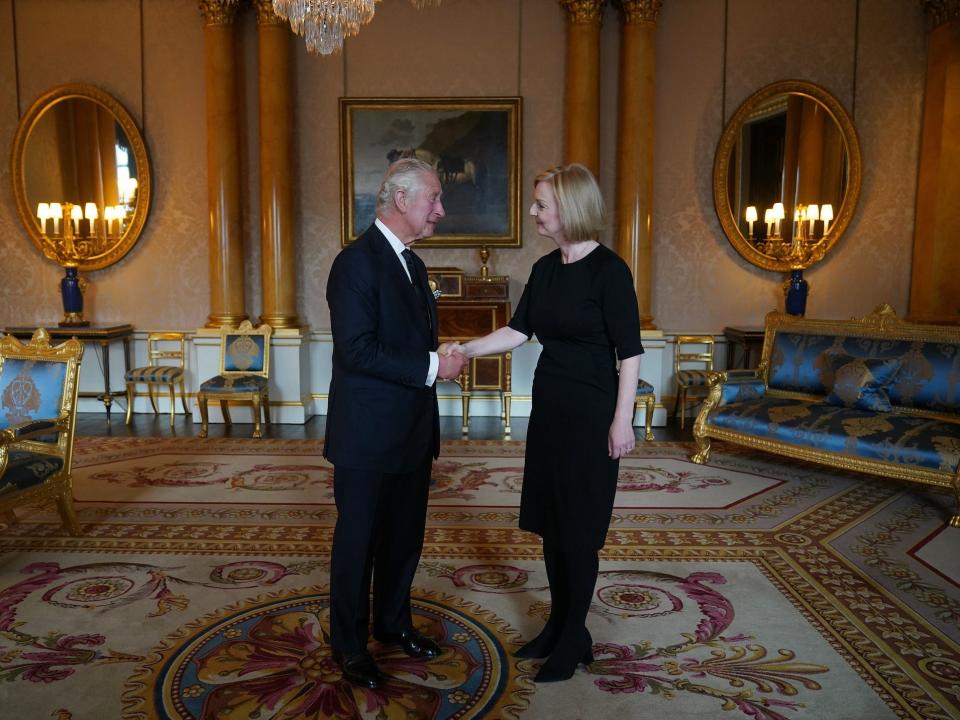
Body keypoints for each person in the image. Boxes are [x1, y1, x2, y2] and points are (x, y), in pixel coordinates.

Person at [445, 163, 642, 683]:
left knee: (579, 530)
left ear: (569, 209)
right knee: (554, 524)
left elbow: (631, 353)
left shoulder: (611, 271)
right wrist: (462, 349)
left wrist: (623, 421)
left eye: (540, 205)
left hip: (593, 414)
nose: (533, 212)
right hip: (551, 411)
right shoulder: (546, 269)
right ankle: (560, 626)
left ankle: (575, 635)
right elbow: (517, 331)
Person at [324, 157, 467, 689]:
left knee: (405, 538)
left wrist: (437, 360)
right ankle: (349, 645)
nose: (440, 210)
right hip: (367, 435)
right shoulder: (355, 263)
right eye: (433, 199)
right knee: (358, 542)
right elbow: (357, 350)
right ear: (402, 200)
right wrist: (433, 366)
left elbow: (406, 345)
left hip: (411, 430)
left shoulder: (414, 263)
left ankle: (392, 624)